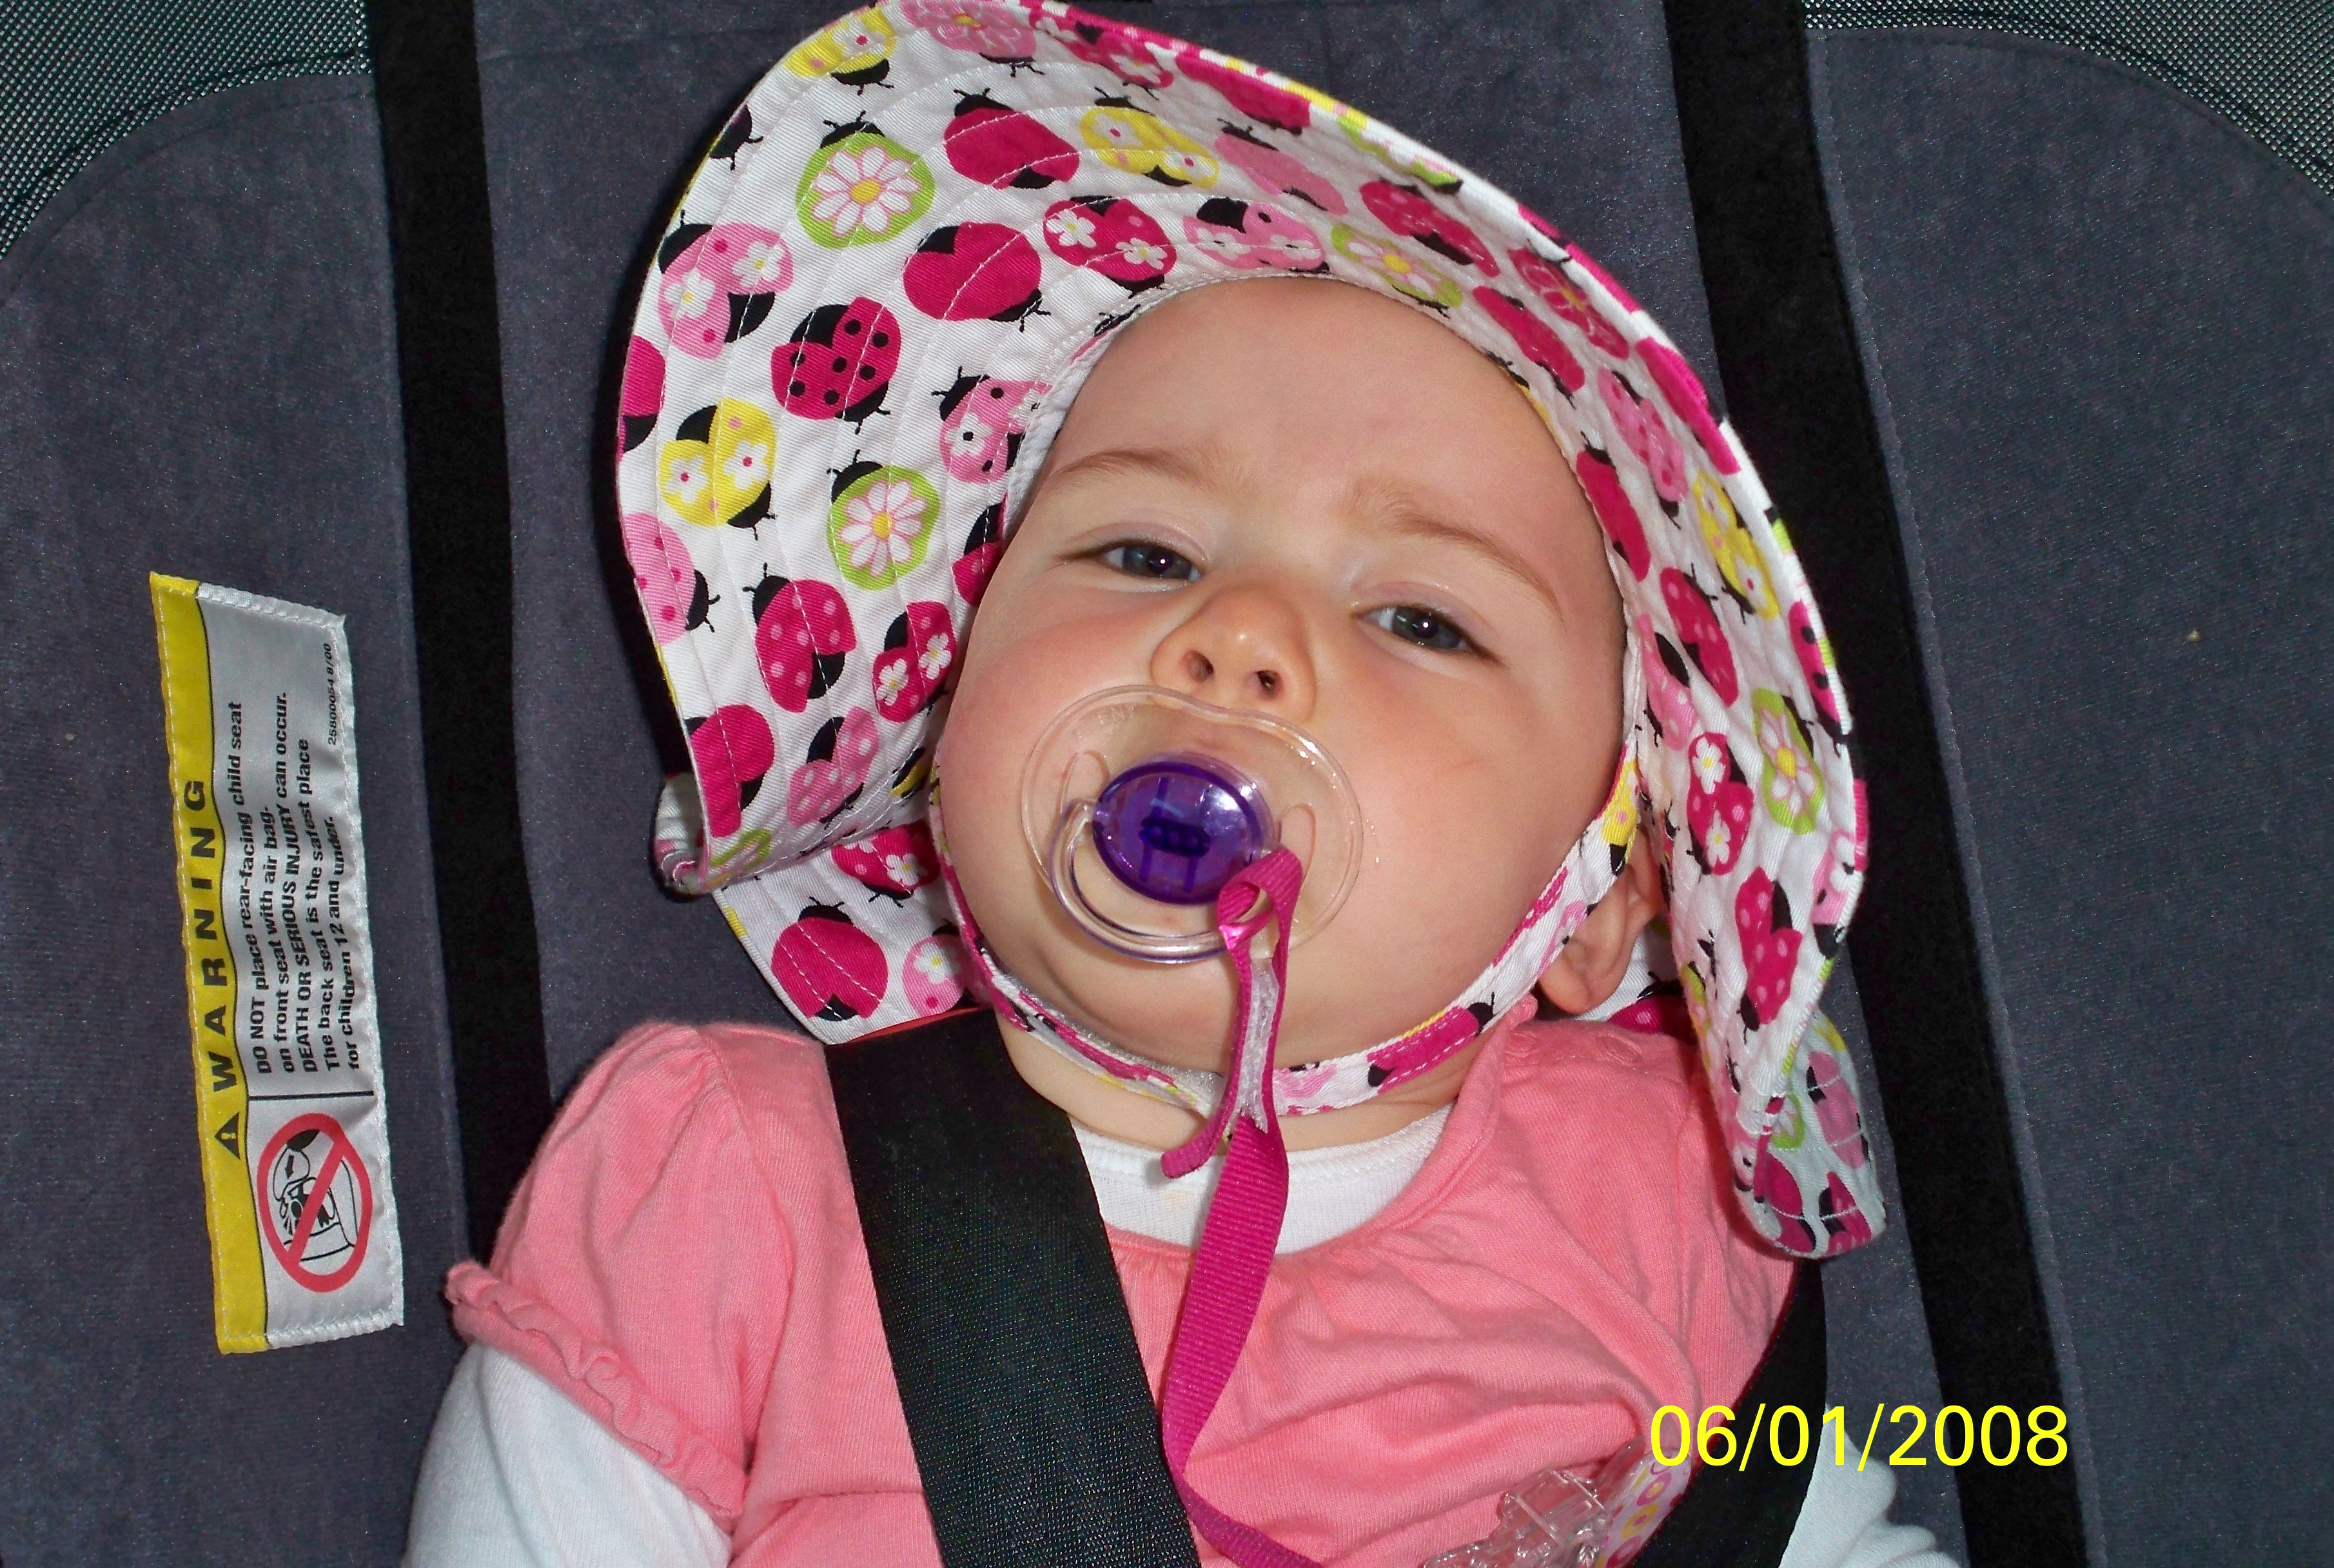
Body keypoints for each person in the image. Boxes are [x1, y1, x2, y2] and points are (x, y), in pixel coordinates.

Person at [405, 6, 1950, 1564]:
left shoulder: (1652, 1198)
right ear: (946, 704)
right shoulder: (728, 1197)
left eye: (1422, 620)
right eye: (1142, 553)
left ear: (1603, 900)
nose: (1240, 637)